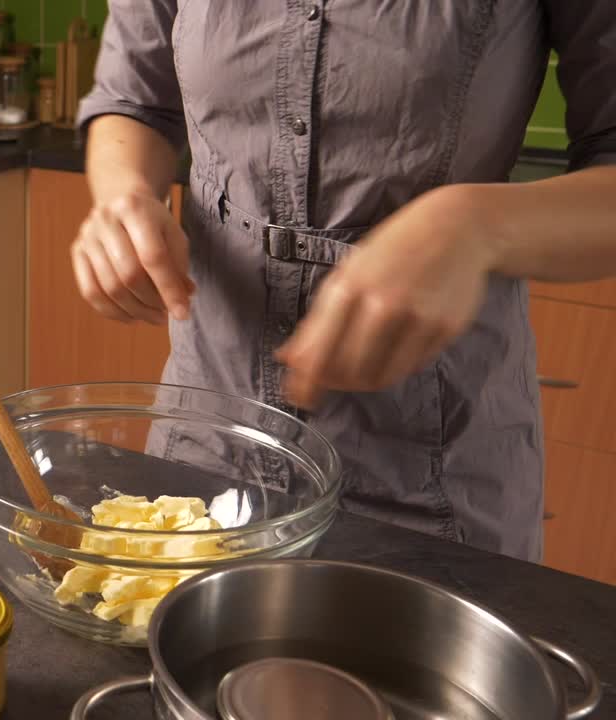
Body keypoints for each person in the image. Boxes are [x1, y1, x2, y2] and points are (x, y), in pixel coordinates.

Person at [73, 2, 616, 561]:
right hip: (207, 432)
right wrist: (124, 193)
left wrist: (473, 225)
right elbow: (134, 102)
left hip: (433, 469)